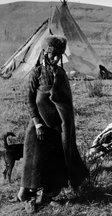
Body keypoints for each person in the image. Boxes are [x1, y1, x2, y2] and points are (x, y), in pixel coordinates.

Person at [17, 35, 89, 213]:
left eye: (59, 55)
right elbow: (30, 101)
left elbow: (66, 102)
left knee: (57, 162)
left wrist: (66, 125)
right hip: (39, 127)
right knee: (34, 163)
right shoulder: (36, 74)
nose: (56, 59)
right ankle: (28, 192)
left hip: (58, 129)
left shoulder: (61, 74)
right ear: (44, 53)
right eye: (53, 55)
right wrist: (37, 123)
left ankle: (48, 195)